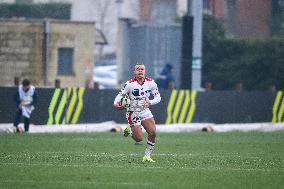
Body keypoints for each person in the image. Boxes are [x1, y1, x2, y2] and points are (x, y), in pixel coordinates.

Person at [113, 63, 161, 162]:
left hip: (144, 110)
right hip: (132, 111)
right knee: (139, 139)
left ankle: (147, 156)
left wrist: (150, 102)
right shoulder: (129, 84)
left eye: (142, 69)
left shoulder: (151, 83)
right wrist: (116, 103)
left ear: (145, 71)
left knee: (153, 132)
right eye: (138, 69)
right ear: (134, 72)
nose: (140, 71)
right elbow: (120, 95)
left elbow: (158, 97)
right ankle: (129, 131)